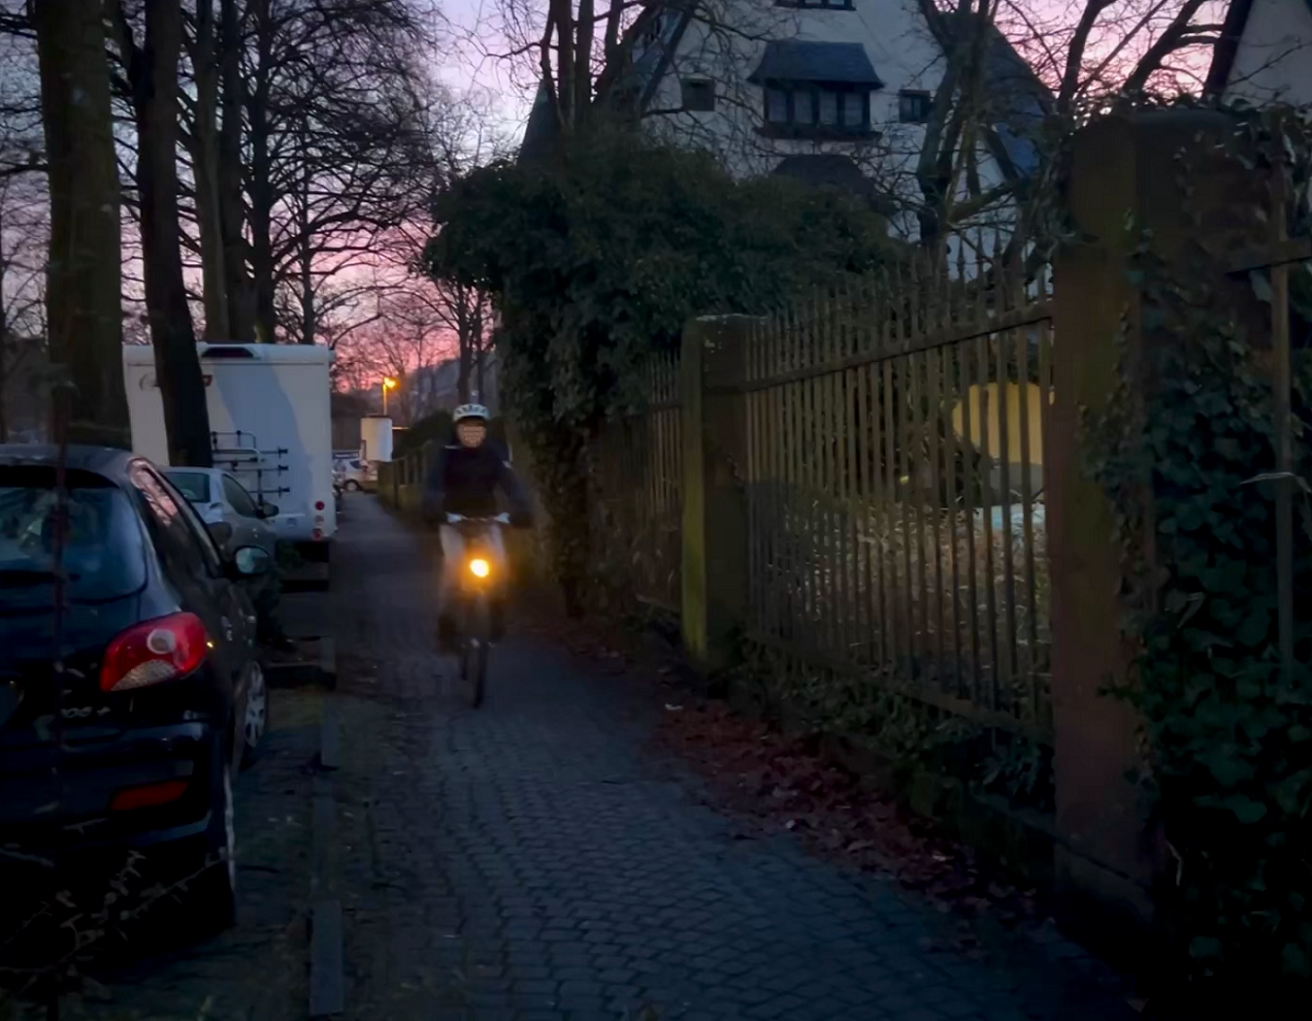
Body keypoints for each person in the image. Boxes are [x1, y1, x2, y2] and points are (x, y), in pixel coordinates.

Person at [421, 404, 532, 652]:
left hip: (486, 519)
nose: (472, 432)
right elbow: (433, 486)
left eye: (478, 427)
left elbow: (511, 484)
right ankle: (446, 629)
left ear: (484, 430)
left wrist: (520, 507)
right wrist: (434, 507)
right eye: (466, 427)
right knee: (454, 570)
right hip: (453, 520)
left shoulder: (493, 454)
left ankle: (496, 614)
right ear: (457, 430)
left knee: (500, 567)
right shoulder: (445, 454)